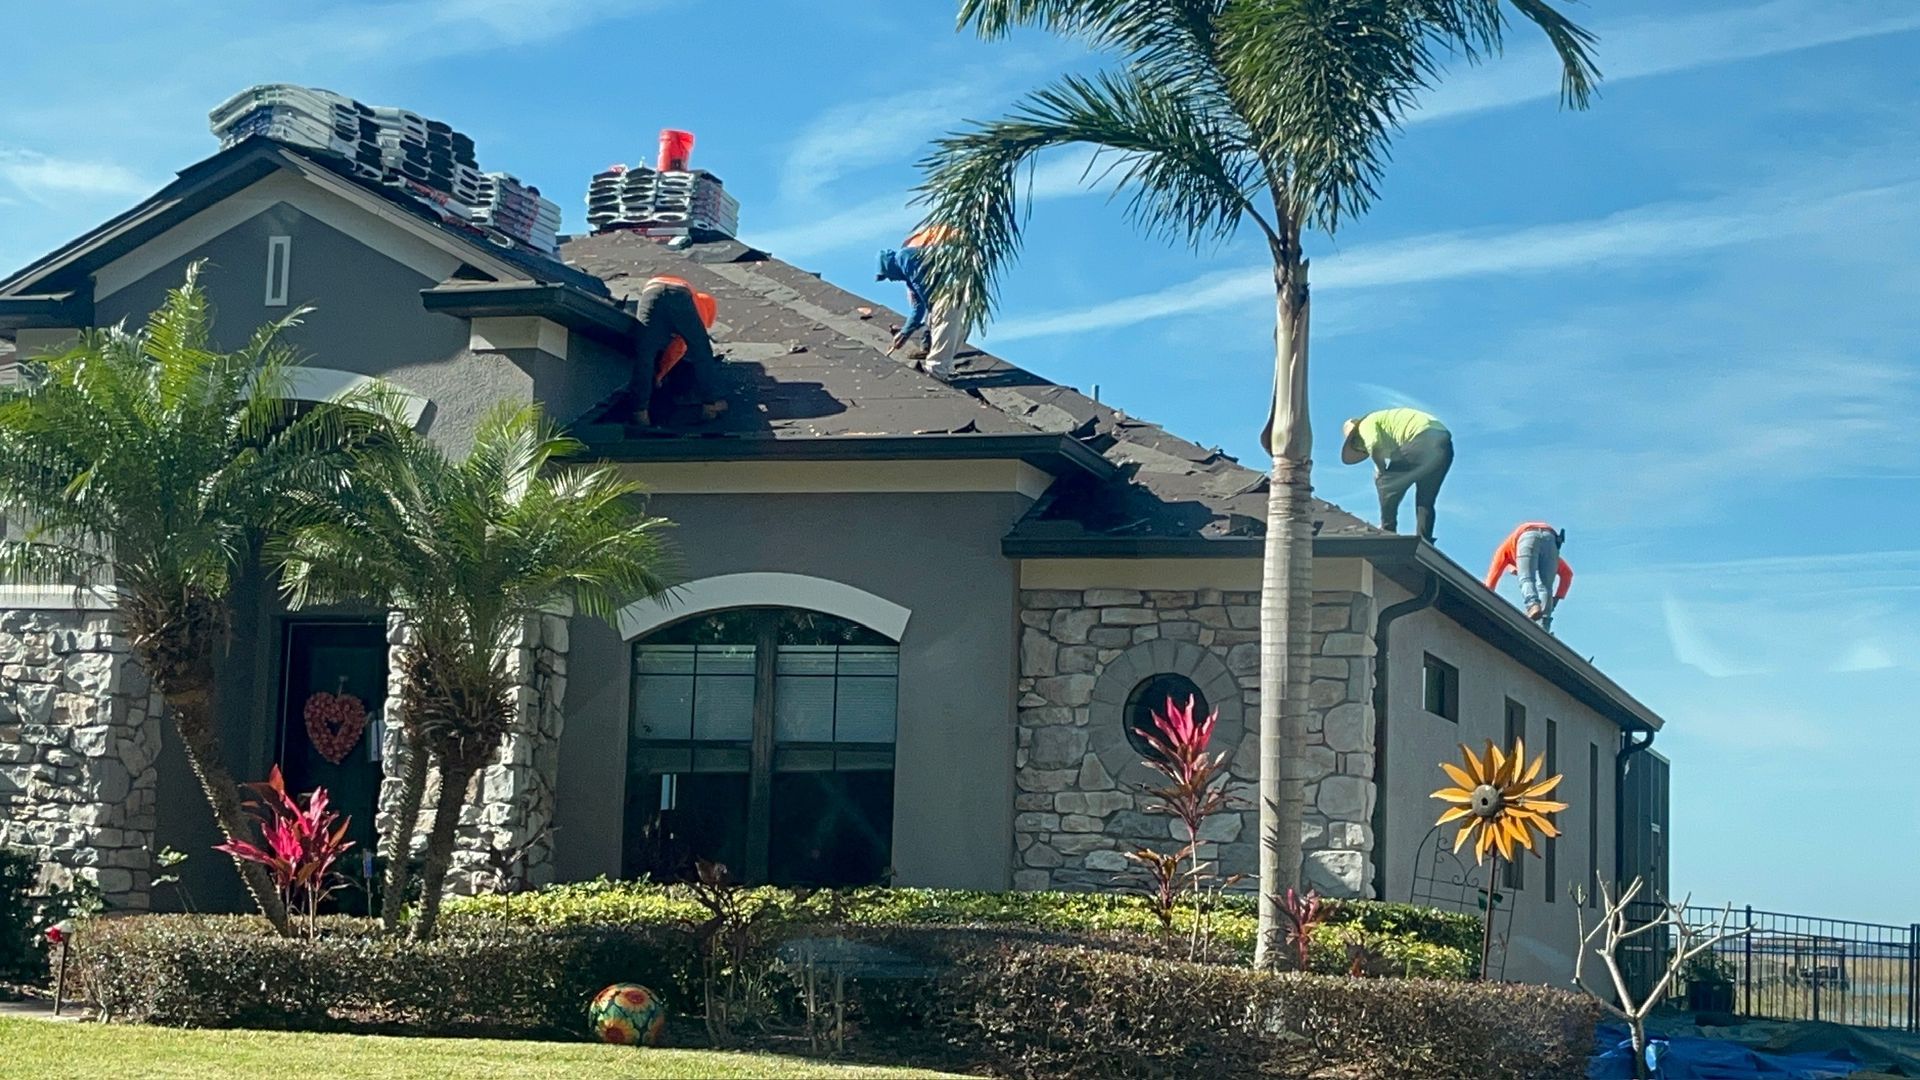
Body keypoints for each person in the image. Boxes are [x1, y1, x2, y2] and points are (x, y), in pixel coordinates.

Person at [1340, 407, 1454, 541]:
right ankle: (1425, 539)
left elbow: (1375, 446)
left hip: (1421, 437)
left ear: (1356, 436)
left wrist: (1380, 471)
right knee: (1425, 500)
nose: (1360, 448)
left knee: (1385, 484)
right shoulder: (1389, 432)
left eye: (1356, 444)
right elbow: (1398, 459)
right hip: (1443, 444)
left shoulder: (1365, 425)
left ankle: (1387, 531)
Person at [627, 275, 726, 426]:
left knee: (644, 355)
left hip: (652, 292)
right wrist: (661, 374)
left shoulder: (697, 299)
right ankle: (710, 405)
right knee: (703, 353)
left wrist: (659, 374)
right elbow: (679, 347)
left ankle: (639, 412)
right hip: (678, 293)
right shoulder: (699, 308)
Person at [876, 224, 963, 378]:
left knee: (945, 323)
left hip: (953, 287)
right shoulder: (908, 278)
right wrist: (904, 333)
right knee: (945, 322)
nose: (890, 279)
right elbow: (918, 309)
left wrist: (930, 316)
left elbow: (923, 289)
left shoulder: (903, 257)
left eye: (887, 275)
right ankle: (940, 360)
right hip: (950, 292)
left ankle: (937, 370)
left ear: (889, 266)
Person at [1485, 523, 1573, 629]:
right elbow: (1567, 574)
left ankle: (1532, 604)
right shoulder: (1552, 558)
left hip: (1527, 536)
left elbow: (1491, 579)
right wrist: (1555, 599)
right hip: (1551, 540)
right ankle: (1544, 625)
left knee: (1526, 578)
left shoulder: (1504, 551)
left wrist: (1485, 599)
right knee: (1546, 586)